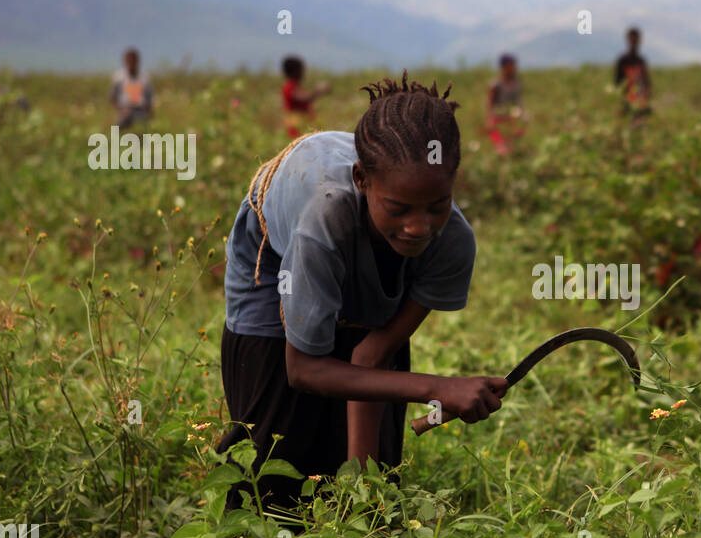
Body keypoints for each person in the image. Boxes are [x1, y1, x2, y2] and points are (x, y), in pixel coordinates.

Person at [216, 72, 507, 512]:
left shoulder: (451, 241)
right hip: (275, 252)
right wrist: (438, 387)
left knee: (376, 462)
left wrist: (361, 498)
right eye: (400, 208)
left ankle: (359, 517)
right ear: (362, 179)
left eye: (436, 206)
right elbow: (304, 370)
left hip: (354, 229)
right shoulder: (322, 223)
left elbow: (371, 355)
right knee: (275, 448)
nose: (419, 226)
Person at [485, 53, 526, 156]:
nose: (514, 68)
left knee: (512, 147)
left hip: (511, 120)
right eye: (512, 65)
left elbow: (519, 102)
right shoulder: (495, 85)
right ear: (505, 67)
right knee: (501, 148)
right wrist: (490, 119)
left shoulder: (516, 83)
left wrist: (522, 115)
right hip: (499, 120)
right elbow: (489, 104)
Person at [281, 56, 330, 139]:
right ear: (294, 71)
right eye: (301, 69)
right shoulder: (289, 87)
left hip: (302, 126)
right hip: (297, 128)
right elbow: (303, 99)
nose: (303, 72)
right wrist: (318, 90)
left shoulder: (294, 86)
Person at [110, 47, 153, 130]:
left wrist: (148, 112)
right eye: (129, 61)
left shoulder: (144, 78)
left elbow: (149, 98)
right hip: (124, 110)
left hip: (141, 111)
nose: (131, 64)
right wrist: (121, 110)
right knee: (118, 129)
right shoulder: (119, 77)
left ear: (137, 61)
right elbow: (112, 97)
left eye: (133, 61)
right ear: (125, 62)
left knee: (142, 131)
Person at [614, 27, 652, 118]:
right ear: (628, 40)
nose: (634, 42)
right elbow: (617, 83)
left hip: (640, 102)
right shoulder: (623, 60)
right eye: (632, 39)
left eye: (636, 39)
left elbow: (646, 82)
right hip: (627, 102)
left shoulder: (641, 61)